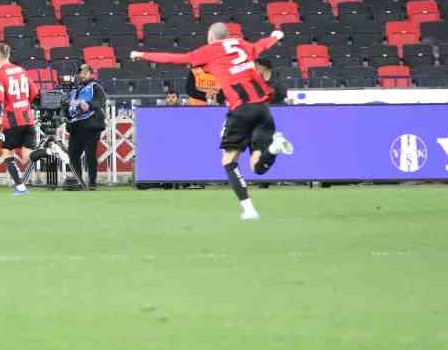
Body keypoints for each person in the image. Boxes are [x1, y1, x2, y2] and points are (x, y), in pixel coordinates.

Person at [130, 23, 295, 220]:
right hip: (262, 108)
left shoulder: (210, 51)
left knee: (228, 161)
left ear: (211, 37)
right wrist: (276, 35)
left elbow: (176, 59)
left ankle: (249, 209)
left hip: (241, 109)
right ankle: (275, 148)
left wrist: (142, 55)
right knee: (257, 166)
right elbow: (262, 45)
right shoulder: (242, 45)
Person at [0, 42, 35, 194]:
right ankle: (49, 151)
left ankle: (21, 187)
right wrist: (23, 104)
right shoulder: (22, 70)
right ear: (8, 55)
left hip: (12, 120)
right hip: (28, 118)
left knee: (6, 152)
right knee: (27, 156)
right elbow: (35, 91)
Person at [65, 63, 106, 189]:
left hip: (90, 126)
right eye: (81, 73)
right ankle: (79, 181)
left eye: (85, 72)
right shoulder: (74, 90)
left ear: (91, 74)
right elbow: (69, 105)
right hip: (76, 126)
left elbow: (100, 100)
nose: (82, 75)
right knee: (73, 155)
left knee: (90, 156)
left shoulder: (95, 86)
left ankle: (92, 182)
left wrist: (89, 105)